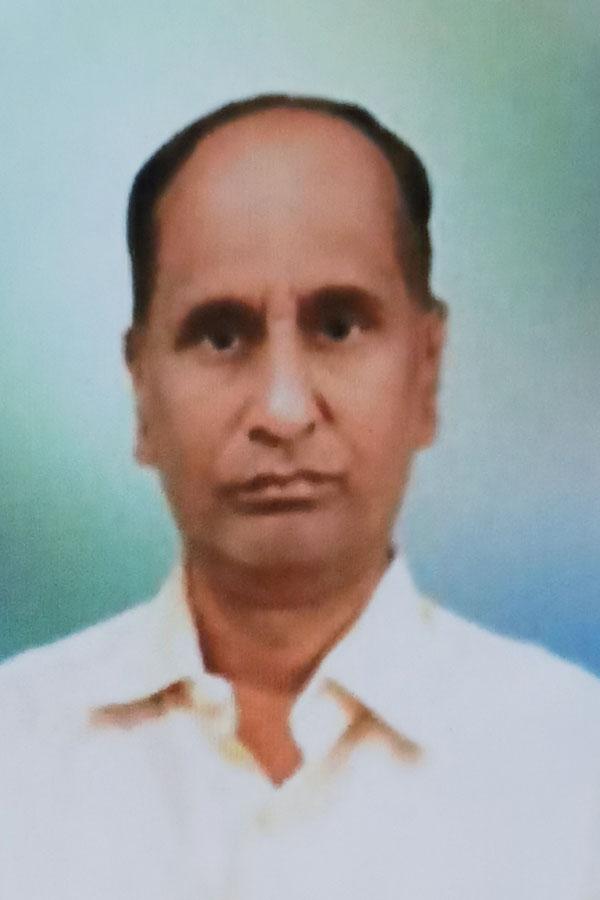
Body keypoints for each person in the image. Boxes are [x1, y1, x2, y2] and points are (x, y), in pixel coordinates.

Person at [2, 93, 599, 899]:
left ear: (426, 371)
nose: (283, 410)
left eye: (339, 325)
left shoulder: (573, 768)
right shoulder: (17, 758)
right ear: (142, 392)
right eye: (221, 335)